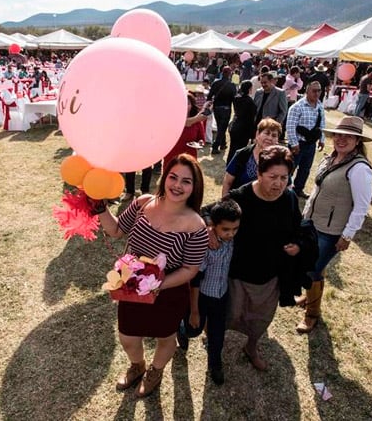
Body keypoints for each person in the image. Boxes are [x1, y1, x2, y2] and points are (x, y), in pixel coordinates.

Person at [97, 154, 208, 398]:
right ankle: (138, 365)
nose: (177, 185)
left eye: (186, 181)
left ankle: (155, 371)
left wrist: (159, 285)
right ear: (164, 177)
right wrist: (100, 208)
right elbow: (116, 230)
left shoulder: (196, 226)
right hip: (131, 287)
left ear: (194, 187)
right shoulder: (144, 203)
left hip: (167, 293)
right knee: (127, 336)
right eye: (173, 177)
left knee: (165, 337)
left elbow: (190, 270)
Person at [208, 146, 304, 371]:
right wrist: (211, 228)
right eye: (272, 177)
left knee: (260, 319)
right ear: (259, 174)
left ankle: (251, 347)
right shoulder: (241, 196)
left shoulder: (289, 199)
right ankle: (215, 347)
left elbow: (300, 228)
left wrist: (298, 245)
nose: (278, 183)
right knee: (229, 314)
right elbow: (209, 211)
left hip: (269, 277)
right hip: (238, 274)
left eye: (284, 177)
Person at [296, 116, 372, 333]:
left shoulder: (359, 168)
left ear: (357, 141)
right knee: (311, 267)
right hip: (313, 223)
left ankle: (312, 315)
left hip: (331, 231)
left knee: (313, 270)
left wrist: (347, 235)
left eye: (348, 136)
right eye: (338, 134)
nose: (341, 139)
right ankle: (311, 296)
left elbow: (361, 207)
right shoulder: (330, 158)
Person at [177, 199, 241, 385]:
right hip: (202, 297)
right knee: (193, 329)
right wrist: (195, 311)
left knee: (217, 335)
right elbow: (195, 281)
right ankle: (181, 329)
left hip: (221, 297)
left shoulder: (233, 241)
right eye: (226, 230)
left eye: (235, 229)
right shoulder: (206, 246)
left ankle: (215, 364)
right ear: (214, 225)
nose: (230, 234)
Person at [221, 118, 282, 197]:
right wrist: (225, 203)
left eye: (274, 135)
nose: (270, 138)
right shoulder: (242, 155)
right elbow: (227, 182)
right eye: (267, 133)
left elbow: (287, 187)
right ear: (257, 134)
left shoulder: (280, 159)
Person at [286, 81, 326, 199]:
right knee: (290, 168)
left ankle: (298, 189)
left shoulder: (320, 106)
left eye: (319, 91)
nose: (317, 93)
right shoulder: (297, 107)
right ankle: (284, 188)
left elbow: (322, 124)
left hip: (311, 144)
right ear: (307, 91)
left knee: (305, 169)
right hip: (298, 143)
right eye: (314, 91)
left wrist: (322, 139)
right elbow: (290, 126)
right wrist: (294, 143)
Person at [163, 91, 208, 170]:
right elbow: (184, 123)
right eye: (182, 103)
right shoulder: (170, 120)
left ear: (192, 106)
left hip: (189, 158)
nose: (184, 105)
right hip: (171, 158)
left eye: (188, 103)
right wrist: (198, 118)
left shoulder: (197, 123)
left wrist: (200, 142)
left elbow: (201, 139)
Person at [207, 66, 237, 155]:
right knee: (222, 128)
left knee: (221, 127)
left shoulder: (215, 83)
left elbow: (209, 96)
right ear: (230, 74)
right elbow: (234, 99)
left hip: (216, 108)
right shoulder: (232, 85)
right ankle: (215, 146)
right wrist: (236, 111)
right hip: (226, 108)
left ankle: (223, 144)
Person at [253, 72, 288, 142]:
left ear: (271, 81)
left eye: (265, 82)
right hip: (257, 126)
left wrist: (275, 124)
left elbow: (283, 112)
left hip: (270, 127)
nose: (263, 85)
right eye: (261, 83)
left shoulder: (280, 93)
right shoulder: (258, 92)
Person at [227, 81, 257, 163]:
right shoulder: (250, 102)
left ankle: (229, 164)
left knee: (232, 148)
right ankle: (235, 166)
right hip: (244, 129)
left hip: (234, 125)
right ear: (249, 89)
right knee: (240, 150)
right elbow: (251, 119)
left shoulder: (237, 98)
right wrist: (252, 134)